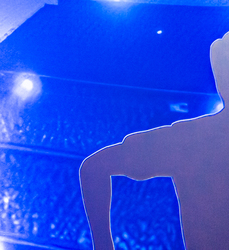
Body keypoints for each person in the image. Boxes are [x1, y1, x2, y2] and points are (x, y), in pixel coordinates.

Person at [79, 32, 229, 250]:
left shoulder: (188, 139)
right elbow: (94, 168)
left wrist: (103, 245)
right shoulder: (189, 140)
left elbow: (94, 167)